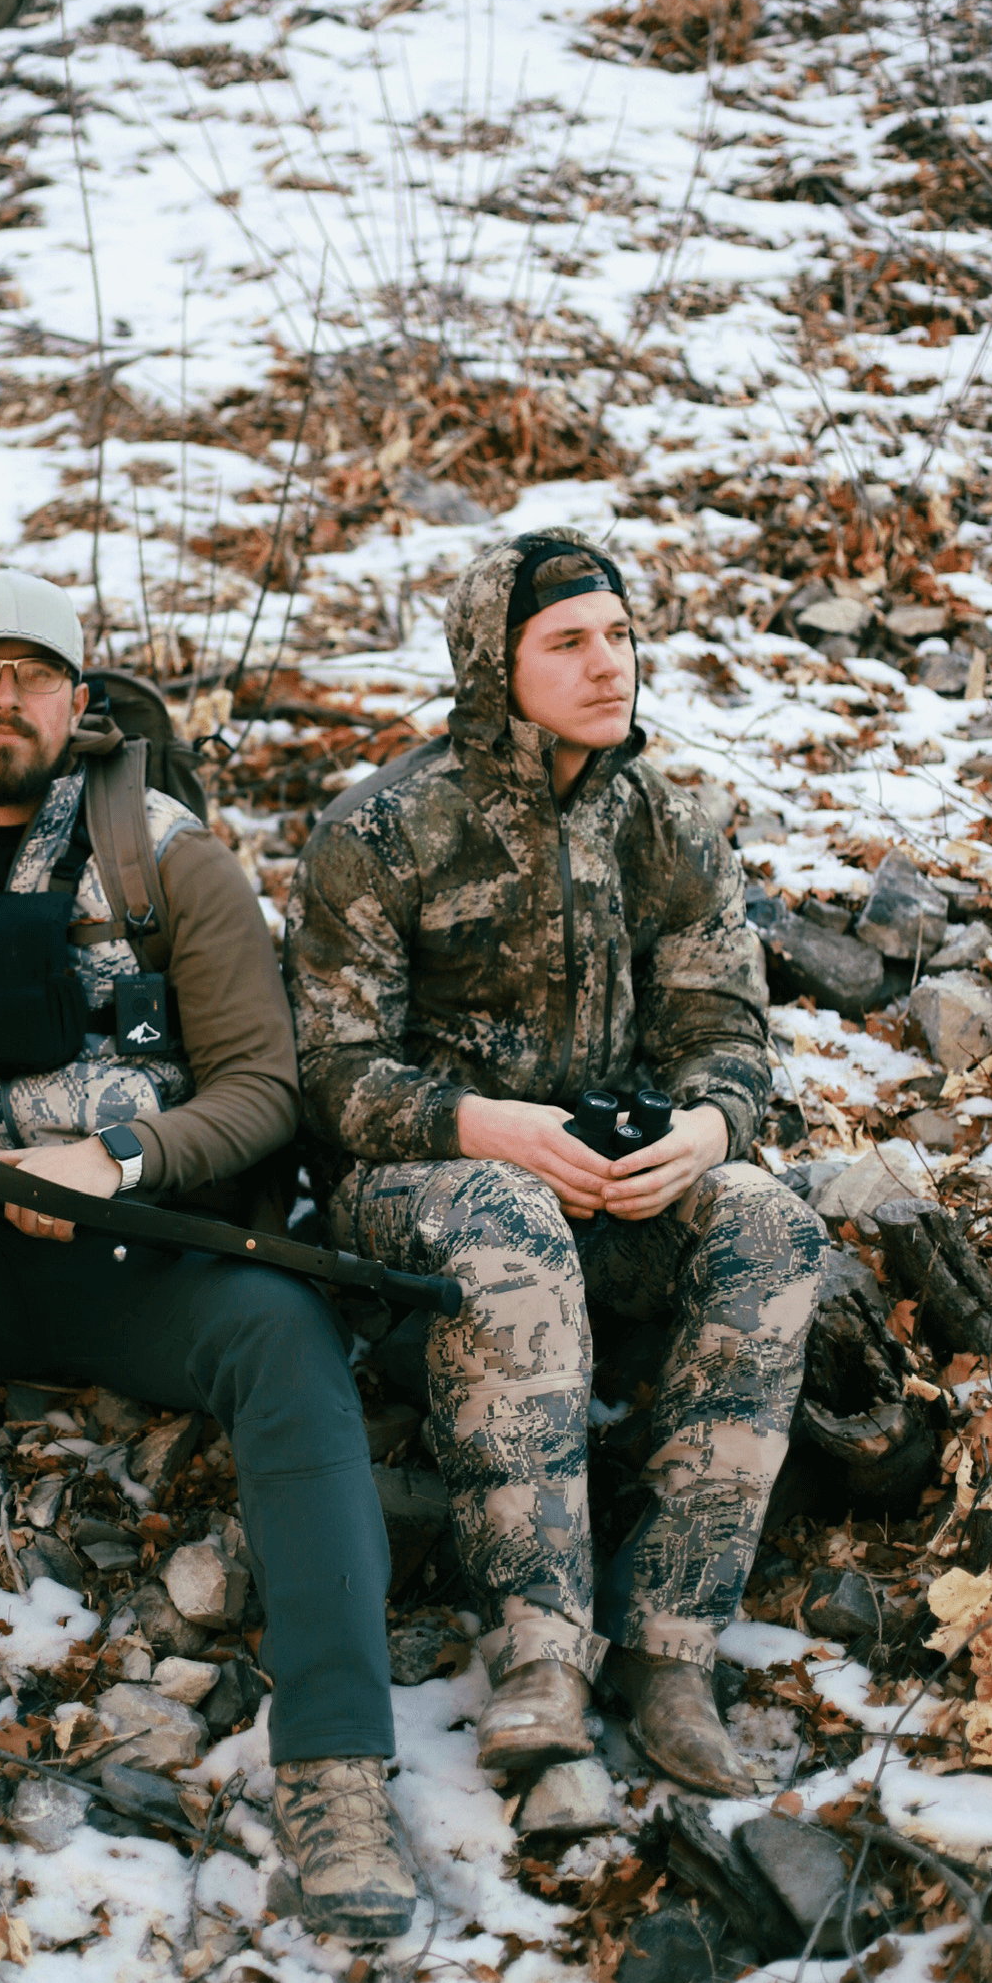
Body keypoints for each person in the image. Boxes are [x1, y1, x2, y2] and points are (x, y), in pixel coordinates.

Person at [0, 568, 417, 1941]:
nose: (3, 697)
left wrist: (116, 1163)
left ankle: (338, 1767)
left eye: (32, 673)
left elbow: (264, 1090)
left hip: (144, 1269)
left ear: (77, 700)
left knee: (287, 1335)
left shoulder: (173, 860)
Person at [284, 530, 826, 1798]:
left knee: (770, 1227)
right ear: (494, 665)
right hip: (422, 1191)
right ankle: (538, 1656)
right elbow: (329, 1073)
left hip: (616, 1177)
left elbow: (726, 1032)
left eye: (621, 637)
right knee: (506, 1219)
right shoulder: (383, 831)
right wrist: (484, 1125)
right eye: (567, 643)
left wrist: (705, 1132)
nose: (606, 667)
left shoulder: (673, 823)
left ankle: (672, 1648)